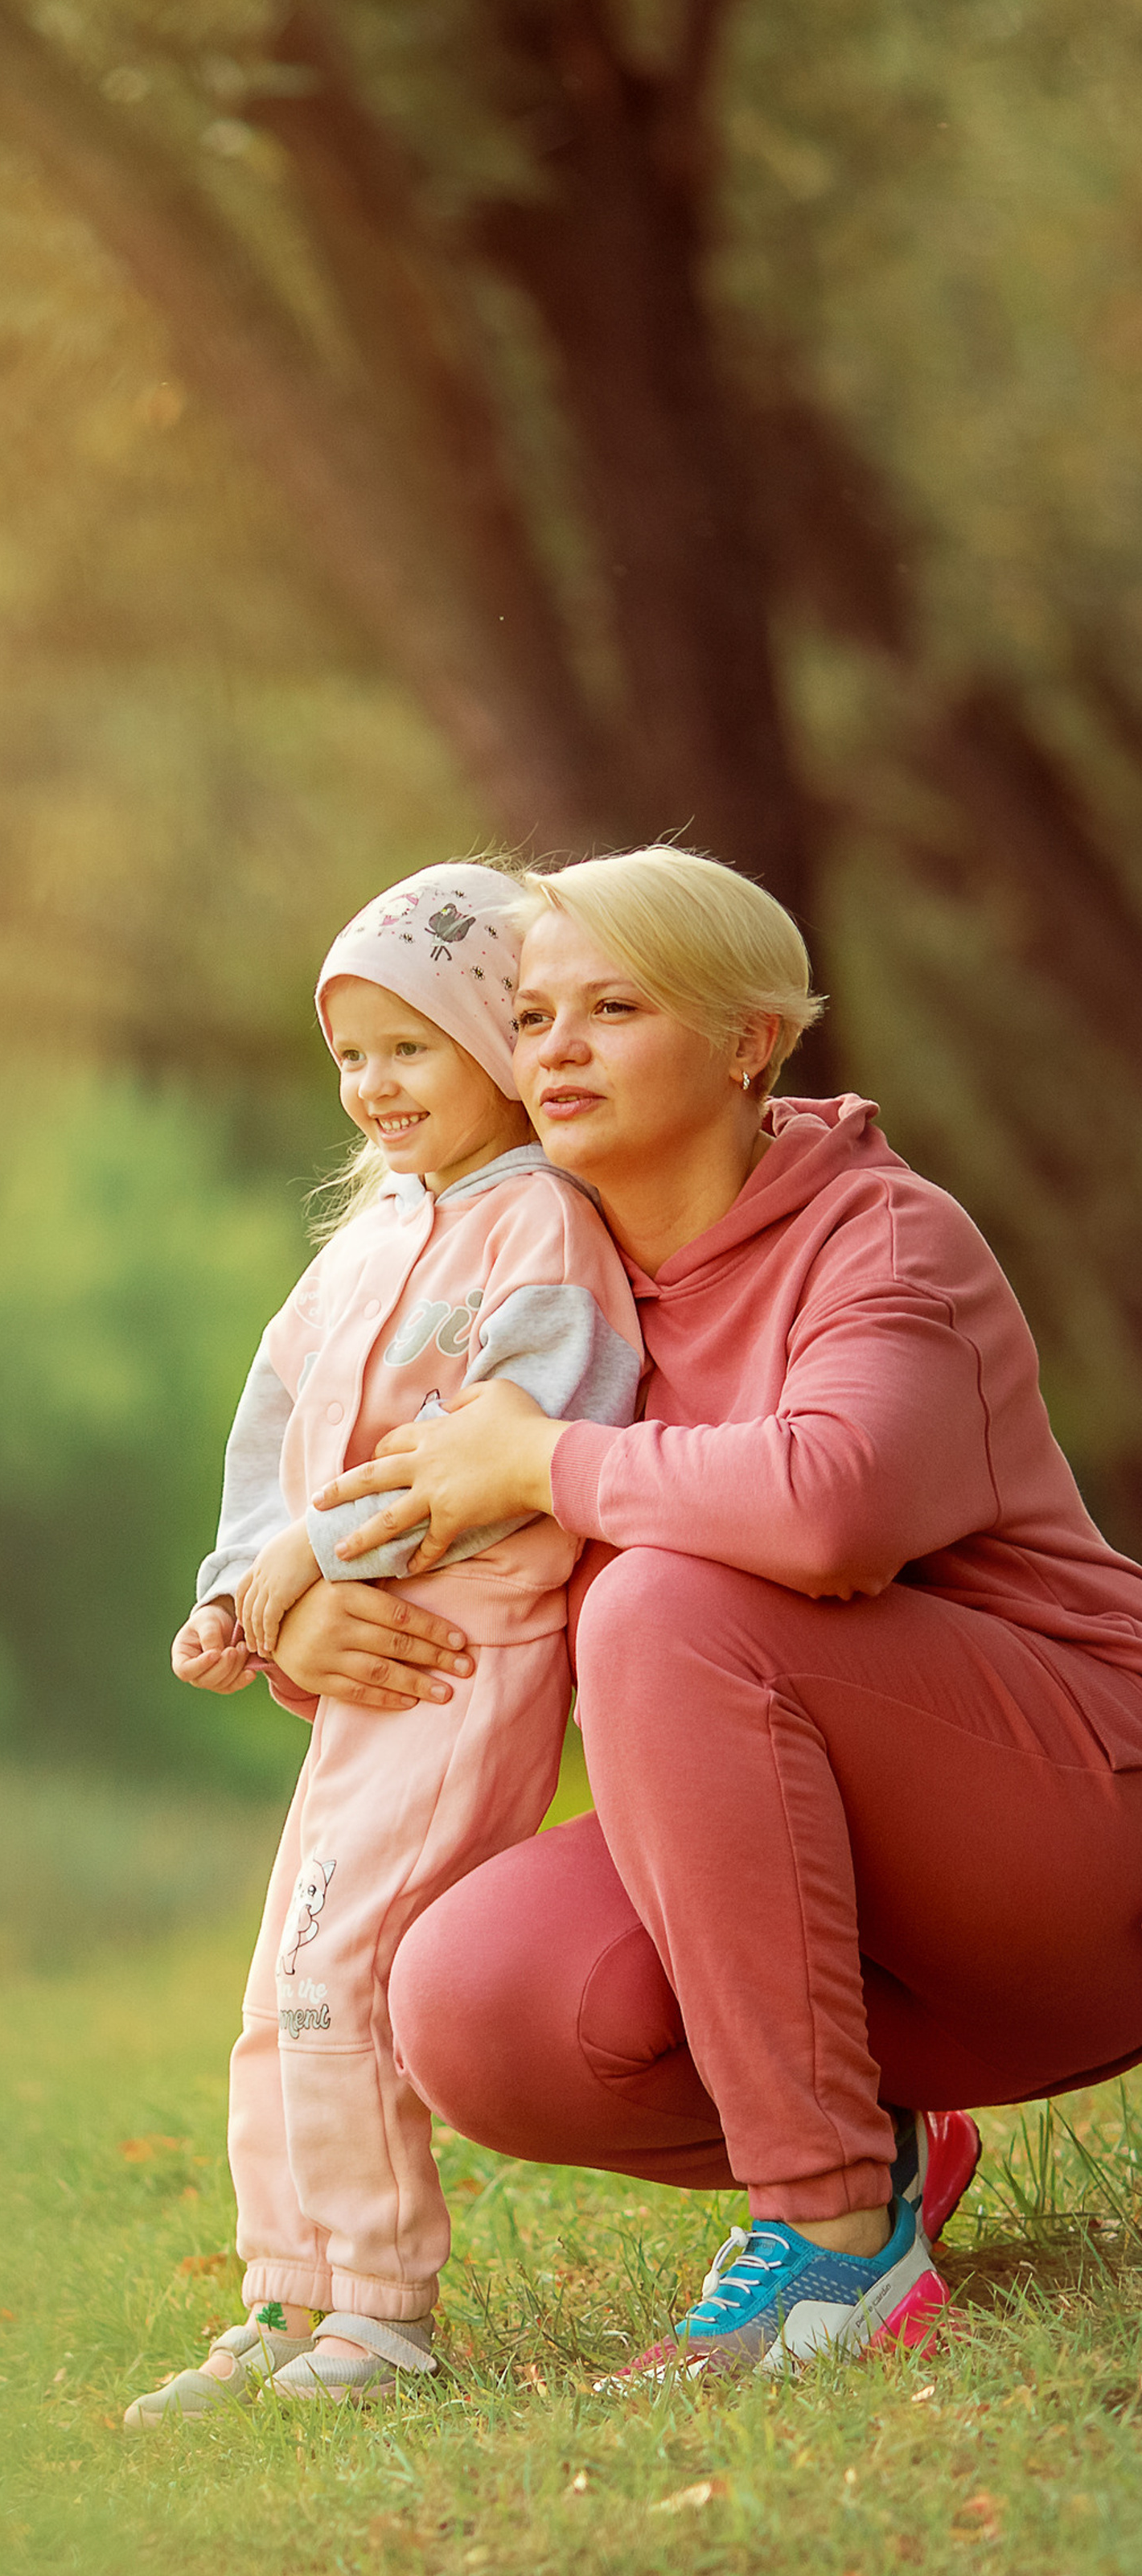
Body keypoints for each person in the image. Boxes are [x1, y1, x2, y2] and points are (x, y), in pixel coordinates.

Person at [306, 847, 1142, 2381]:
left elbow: (833, 1510)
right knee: (474, 2000)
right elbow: (382, 1482)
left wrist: (547, 1463)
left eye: (611, 1008)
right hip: (852, 1903)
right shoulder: (538, 1271)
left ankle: (830, 2242)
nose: (554, 1048)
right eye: (534, 1013)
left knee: (670, 1601)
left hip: (1082, 1841)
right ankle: (873, 2149)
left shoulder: (883, 1241)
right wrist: (298, 1612)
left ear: (750, 1039)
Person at [125, 864, 642, 2426]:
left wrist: (304, 1564)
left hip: (457, 1656)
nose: (370, 1085)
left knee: (337, 1965)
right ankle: (284, 2288)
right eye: (349, 1055)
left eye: (408, 1047)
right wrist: (240, 1591)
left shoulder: (540, 1229)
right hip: (358, 1660)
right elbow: (266, 1441)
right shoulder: (353, 1251)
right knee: (280, 1971)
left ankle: (380, 2308)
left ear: (499, 1041)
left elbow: (508, 1445)